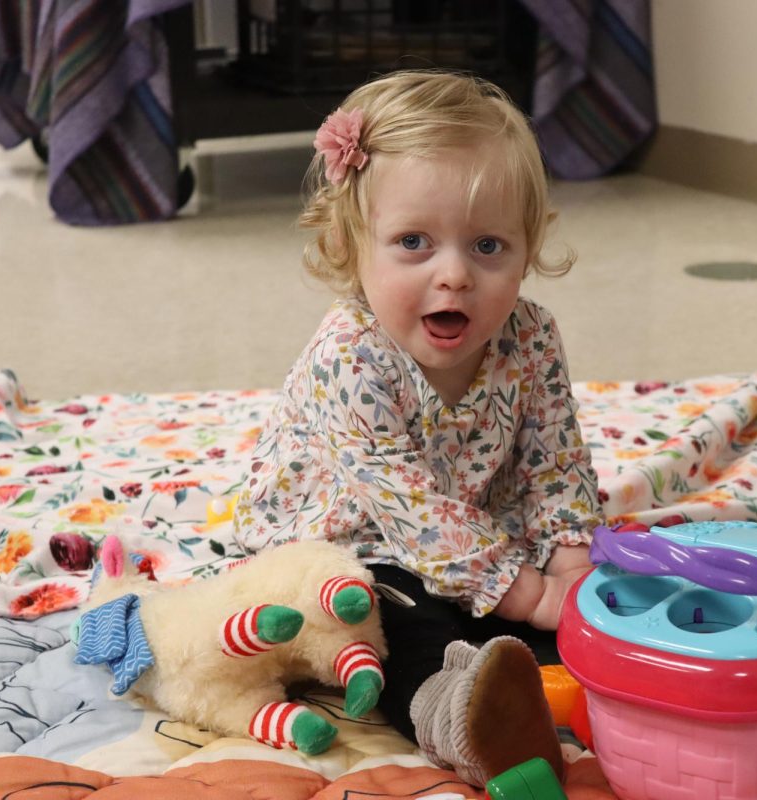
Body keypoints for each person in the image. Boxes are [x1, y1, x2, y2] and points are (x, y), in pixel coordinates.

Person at [232, 69, 603, 786]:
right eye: (413, 243)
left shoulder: (530, 335)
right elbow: (410, 509)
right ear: (351, 245)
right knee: (394, 623)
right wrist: (527, 591)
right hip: (353, 541)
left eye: (489, 247)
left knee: (555, 612)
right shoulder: (349, 355)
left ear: (529, 247)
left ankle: (608, 675)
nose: (455, 275)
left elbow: (555, 460)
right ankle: (460, 715)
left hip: (479, 533)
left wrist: (568, 560)